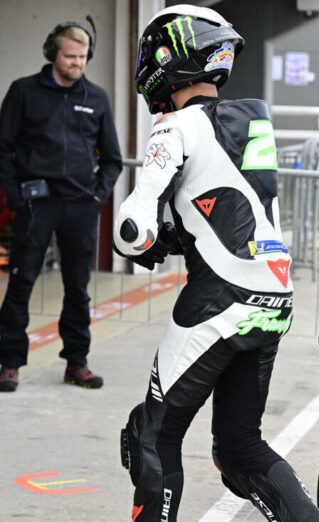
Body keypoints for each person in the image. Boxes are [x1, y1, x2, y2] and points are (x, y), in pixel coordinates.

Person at [114, 6, 319, 521]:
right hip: (273, 295)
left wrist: (146, 239)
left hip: (219, 298)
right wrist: (175, 235)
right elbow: (229, 207)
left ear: (169, 58)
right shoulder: (251, 118)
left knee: (152, 437)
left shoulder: (175, 127)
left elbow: (131, 230)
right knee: (239, 448)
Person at [0, 20, 122, 392]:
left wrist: (98, 196)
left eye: (82, 57)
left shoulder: (97, 97)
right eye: (70, 56)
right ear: (53, 54)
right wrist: (16, 198)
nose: (77, 63)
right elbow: (3, 149)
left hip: (80, 206)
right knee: (21, 283)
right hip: (36, 205)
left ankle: (76, 362)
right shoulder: (23, 91)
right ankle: (9, 364)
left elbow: (113, 159)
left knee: (78, 288)